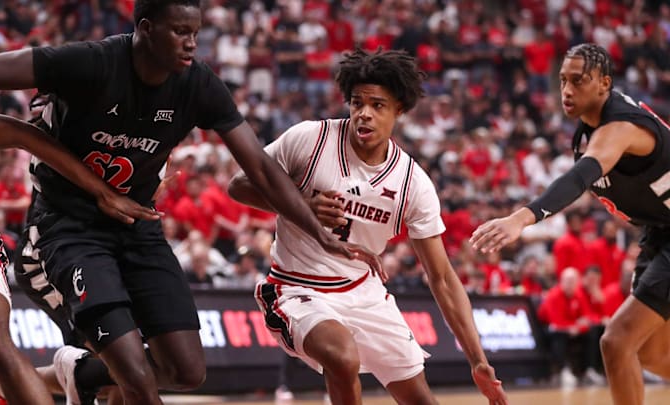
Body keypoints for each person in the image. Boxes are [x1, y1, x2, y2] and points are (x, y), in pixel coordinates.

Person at [0, 1, 379, 404]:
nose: (191, 42)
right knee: (133, 376)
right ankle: (69, 374)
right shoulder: (90, 61)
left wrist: (319, 233)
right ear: (145, 29)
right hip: (68, 227)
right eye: (180, 32)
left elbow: (263, 170)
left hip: (137, 225)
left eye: (195, 32)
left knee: (186, 370)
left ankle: (76, 375)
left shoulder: (199, 83)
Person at [228, 48, 507, 405]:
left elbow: (442, 278)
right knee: (343, 357)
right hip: (297, 288)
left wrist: (477, 359)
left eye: (378, 105)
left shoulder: (412, 183)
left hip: (364, 292)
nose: (364, 114)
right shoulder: (310, 139)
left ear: (399, 111)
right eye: (357, 103)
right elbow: (239, 185)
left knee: (422, 400)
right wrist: (302, 206)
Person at [470, 43, 670, 405]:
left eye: (578, 81)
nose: (566, 90)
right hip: (659, 232)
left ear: (604, 84)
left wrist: (521, 218)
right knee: (652, 354)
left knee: (616, 341)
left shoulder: (619, 128)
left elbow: (578, 179)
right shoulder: (586, 132)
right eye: (562, 80)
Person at [0, 108, 159, 405]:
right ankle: (63, 374)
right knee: (128, 364)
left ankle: (56, 374)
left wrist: (102, 192)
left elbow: (23, 134)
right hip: (62, 246)